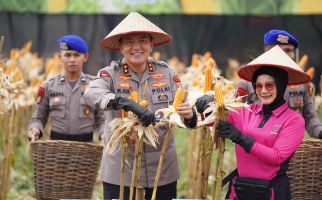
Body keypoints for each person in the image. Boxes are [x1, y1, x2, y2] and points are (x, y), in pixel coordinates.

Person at [83, 12, 197, 200]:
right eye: (128, 42)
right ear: (120, 47)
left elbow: (187, 115)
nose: (136, 47)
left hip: (162, 170)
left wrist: (190, 115)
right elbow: (91, 93)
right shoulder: (109, 74)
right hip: (121, 171)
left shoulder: (167, 74)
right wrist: (124, 102)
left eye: (143, 40)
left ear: (152, 44)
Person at [195, 46, 311, 200]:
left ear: (281, 85)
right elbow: (214, 120)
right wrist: (208, 106)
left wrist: (241, 138)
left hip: (271, 192)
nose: (263, 91)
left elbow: (277, 157)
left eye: (270, 85)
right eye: (258, 86)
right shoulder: (246, 110)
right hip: (241, 190)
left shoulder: (294, 120)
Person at [236, 29, 322, 139]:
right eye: (285, 51)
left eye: (292, 51)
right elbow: (237, 117)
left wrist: (320, 131)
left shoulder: (302, 82)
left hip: (293, 147)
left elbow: (310, 117)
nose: (290, 56)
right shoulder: (247, 82)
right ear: (269, 53)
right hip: (257, 147)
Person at [28, 35, 105, 142]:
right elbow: (38, 118)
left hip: (86, 149)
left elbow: (102, 119)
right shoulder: (49, 86)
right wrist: (34, 130)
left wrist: (104, 134)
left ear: (85, 56)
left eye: (76, 55)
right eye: (68, 55)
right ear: (60, 57)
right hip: (56, 148)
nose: (72, 59)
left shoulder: (95, 86)